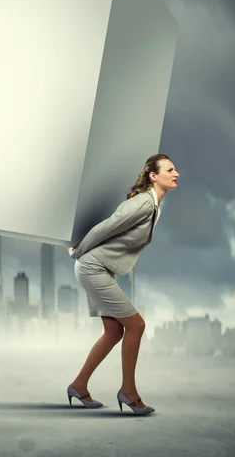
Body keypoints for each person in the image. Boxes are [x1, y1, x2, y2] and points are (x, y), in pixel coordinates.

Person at [65, 154, 179, 415]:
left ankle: (78, 386)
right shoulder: (143, 204)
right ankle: (128, 392)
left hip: (101, 268)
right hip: (93, 267)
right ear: (153, 175)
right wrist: (77, 250)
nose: (177, 174)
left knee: (115, 331)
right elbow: (107, 227)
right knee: (136, 325)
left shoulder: (154, 206)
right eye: (170, 169)